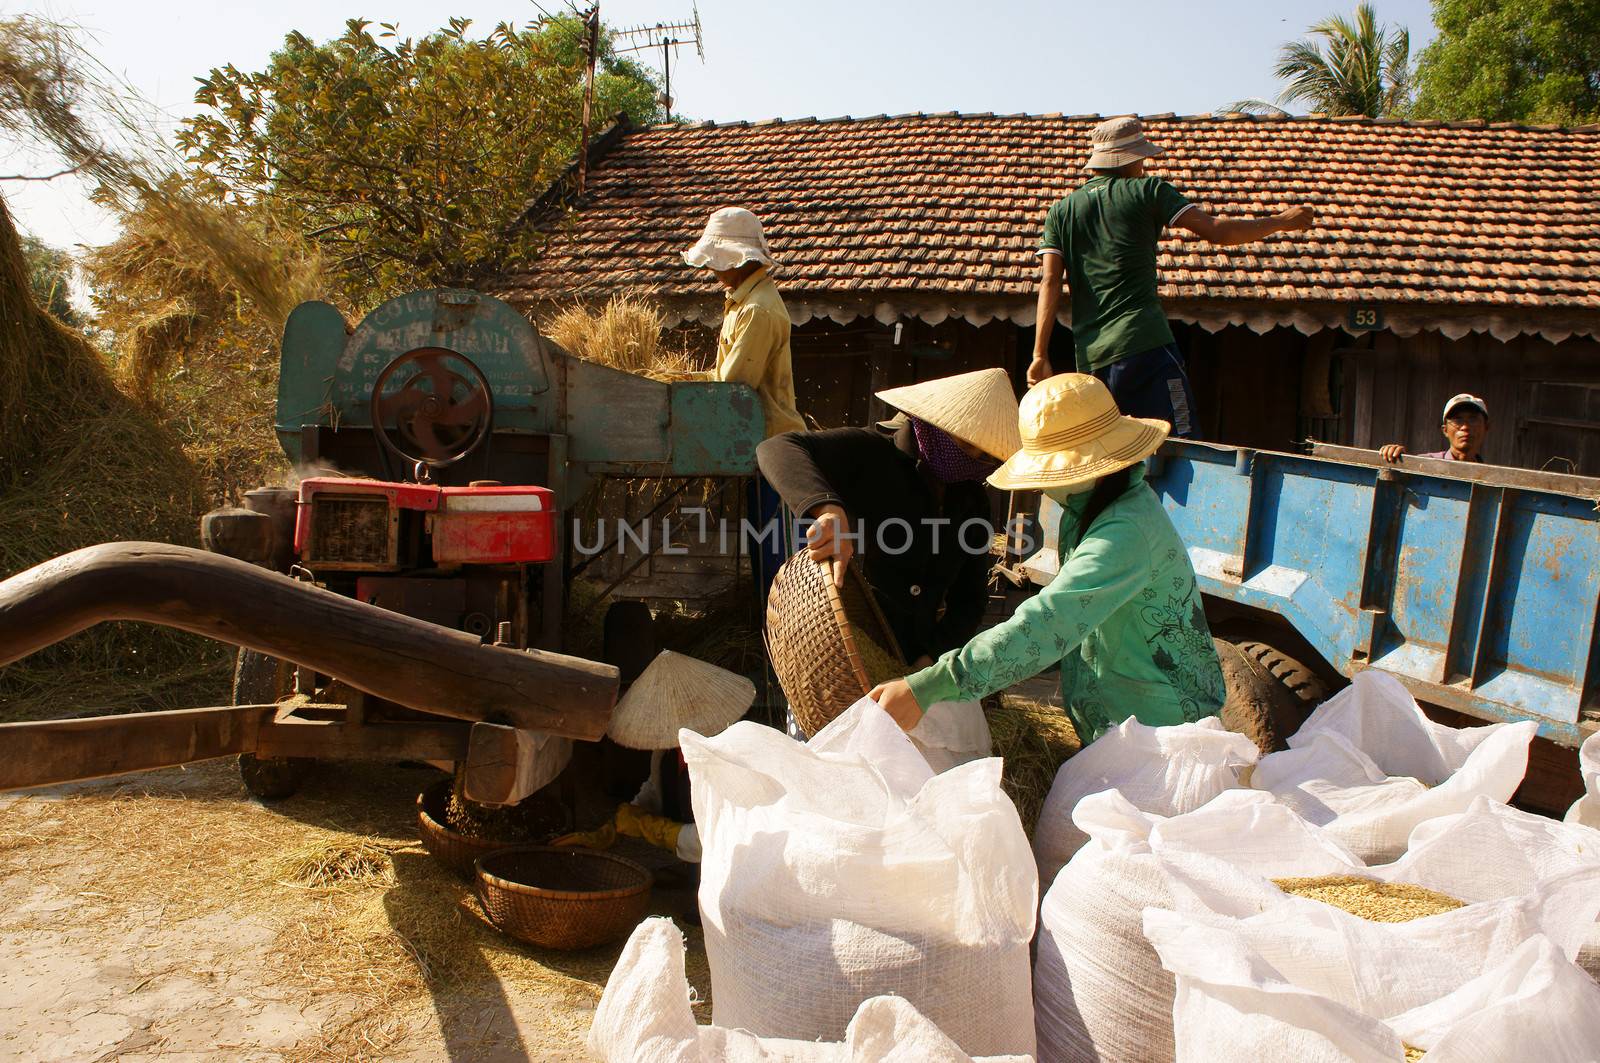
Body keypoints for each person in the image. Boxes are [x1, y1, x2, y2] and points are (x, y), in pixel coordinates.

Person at [870, 373, 1226, 744]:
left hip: (1163, 739)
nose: (1041, 483)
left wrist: (935, 684)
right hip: (1122, 730)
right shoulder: (1092, 508)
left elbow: (1048, 624)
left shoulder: (1125, 532)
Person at [1028, 115, 1316, 438]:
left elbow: (1050, 282)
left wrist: (1040, 354)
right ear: (1130, 160)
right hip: (1144, 344)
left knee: (1114, 457)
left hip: (1093, 363)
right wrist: (1280, 221)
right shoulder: (1148, 190)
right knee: (1181, 443)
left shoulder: (1061, 211)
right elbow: (1217, 231)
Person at [756, 367, 1022, 670]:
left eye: (983, 454)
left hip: (914, 661)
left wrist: (934, 655)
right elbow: (777, 448)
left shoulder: (972, 500)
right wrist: (827, 510)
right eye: (964, 445)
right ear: (937, 425)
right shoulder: (874, 453)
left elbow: (970, 599)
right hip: (841, 647)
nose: (971, 460)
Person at [683, 206, 807, 594]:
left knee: (781, 571)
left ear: (736, 259)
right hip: (759, 452)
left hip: (777, 454)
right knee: (763, 562)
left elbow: (735, 386)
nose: (712, 270)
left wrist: (687, 391)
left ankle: (786, 651)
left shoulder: (757, 310)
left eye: (716, 261)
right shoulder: (742, 300)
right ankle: (768, 647)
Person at [1380, 393, 1489, 464]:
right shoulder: (1423, 464)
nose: (1465, 427)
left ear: (1486, 428)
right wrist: (1394, 456)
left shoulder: (1490, 478)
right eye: (1458, 420)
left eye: (1473, 419)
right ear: (1445, 430)